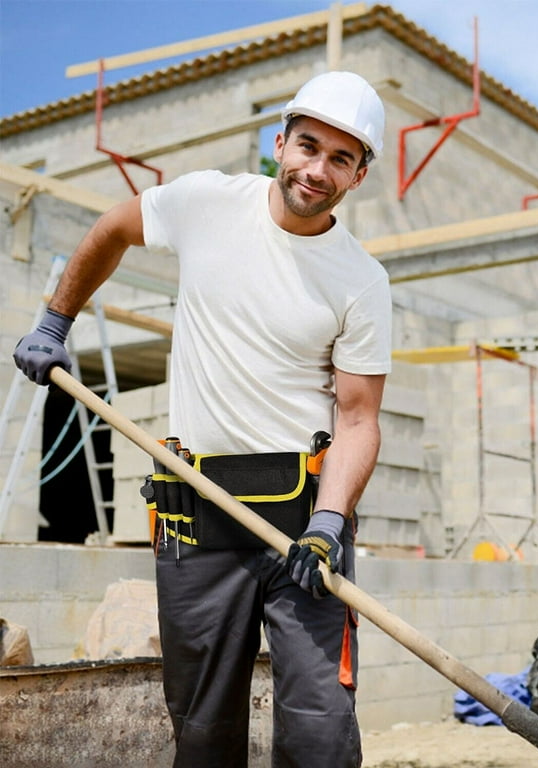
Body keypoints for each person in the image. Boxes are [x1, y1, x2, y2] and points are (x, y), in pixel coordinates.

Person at [13, 70, 392, 768]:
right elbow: (111, 229)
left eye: (341, 158)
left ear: (359, 175)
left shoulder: (361, 280)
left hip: (300, 527)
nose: (317, 170)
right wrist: (54, 322)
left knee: (320, 733)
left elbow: (359, 419)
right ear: (279, 142)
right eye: (308, 147)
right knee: (203, 734)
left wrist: (330, 524)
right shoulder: (204, 202)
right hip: (197, 519)